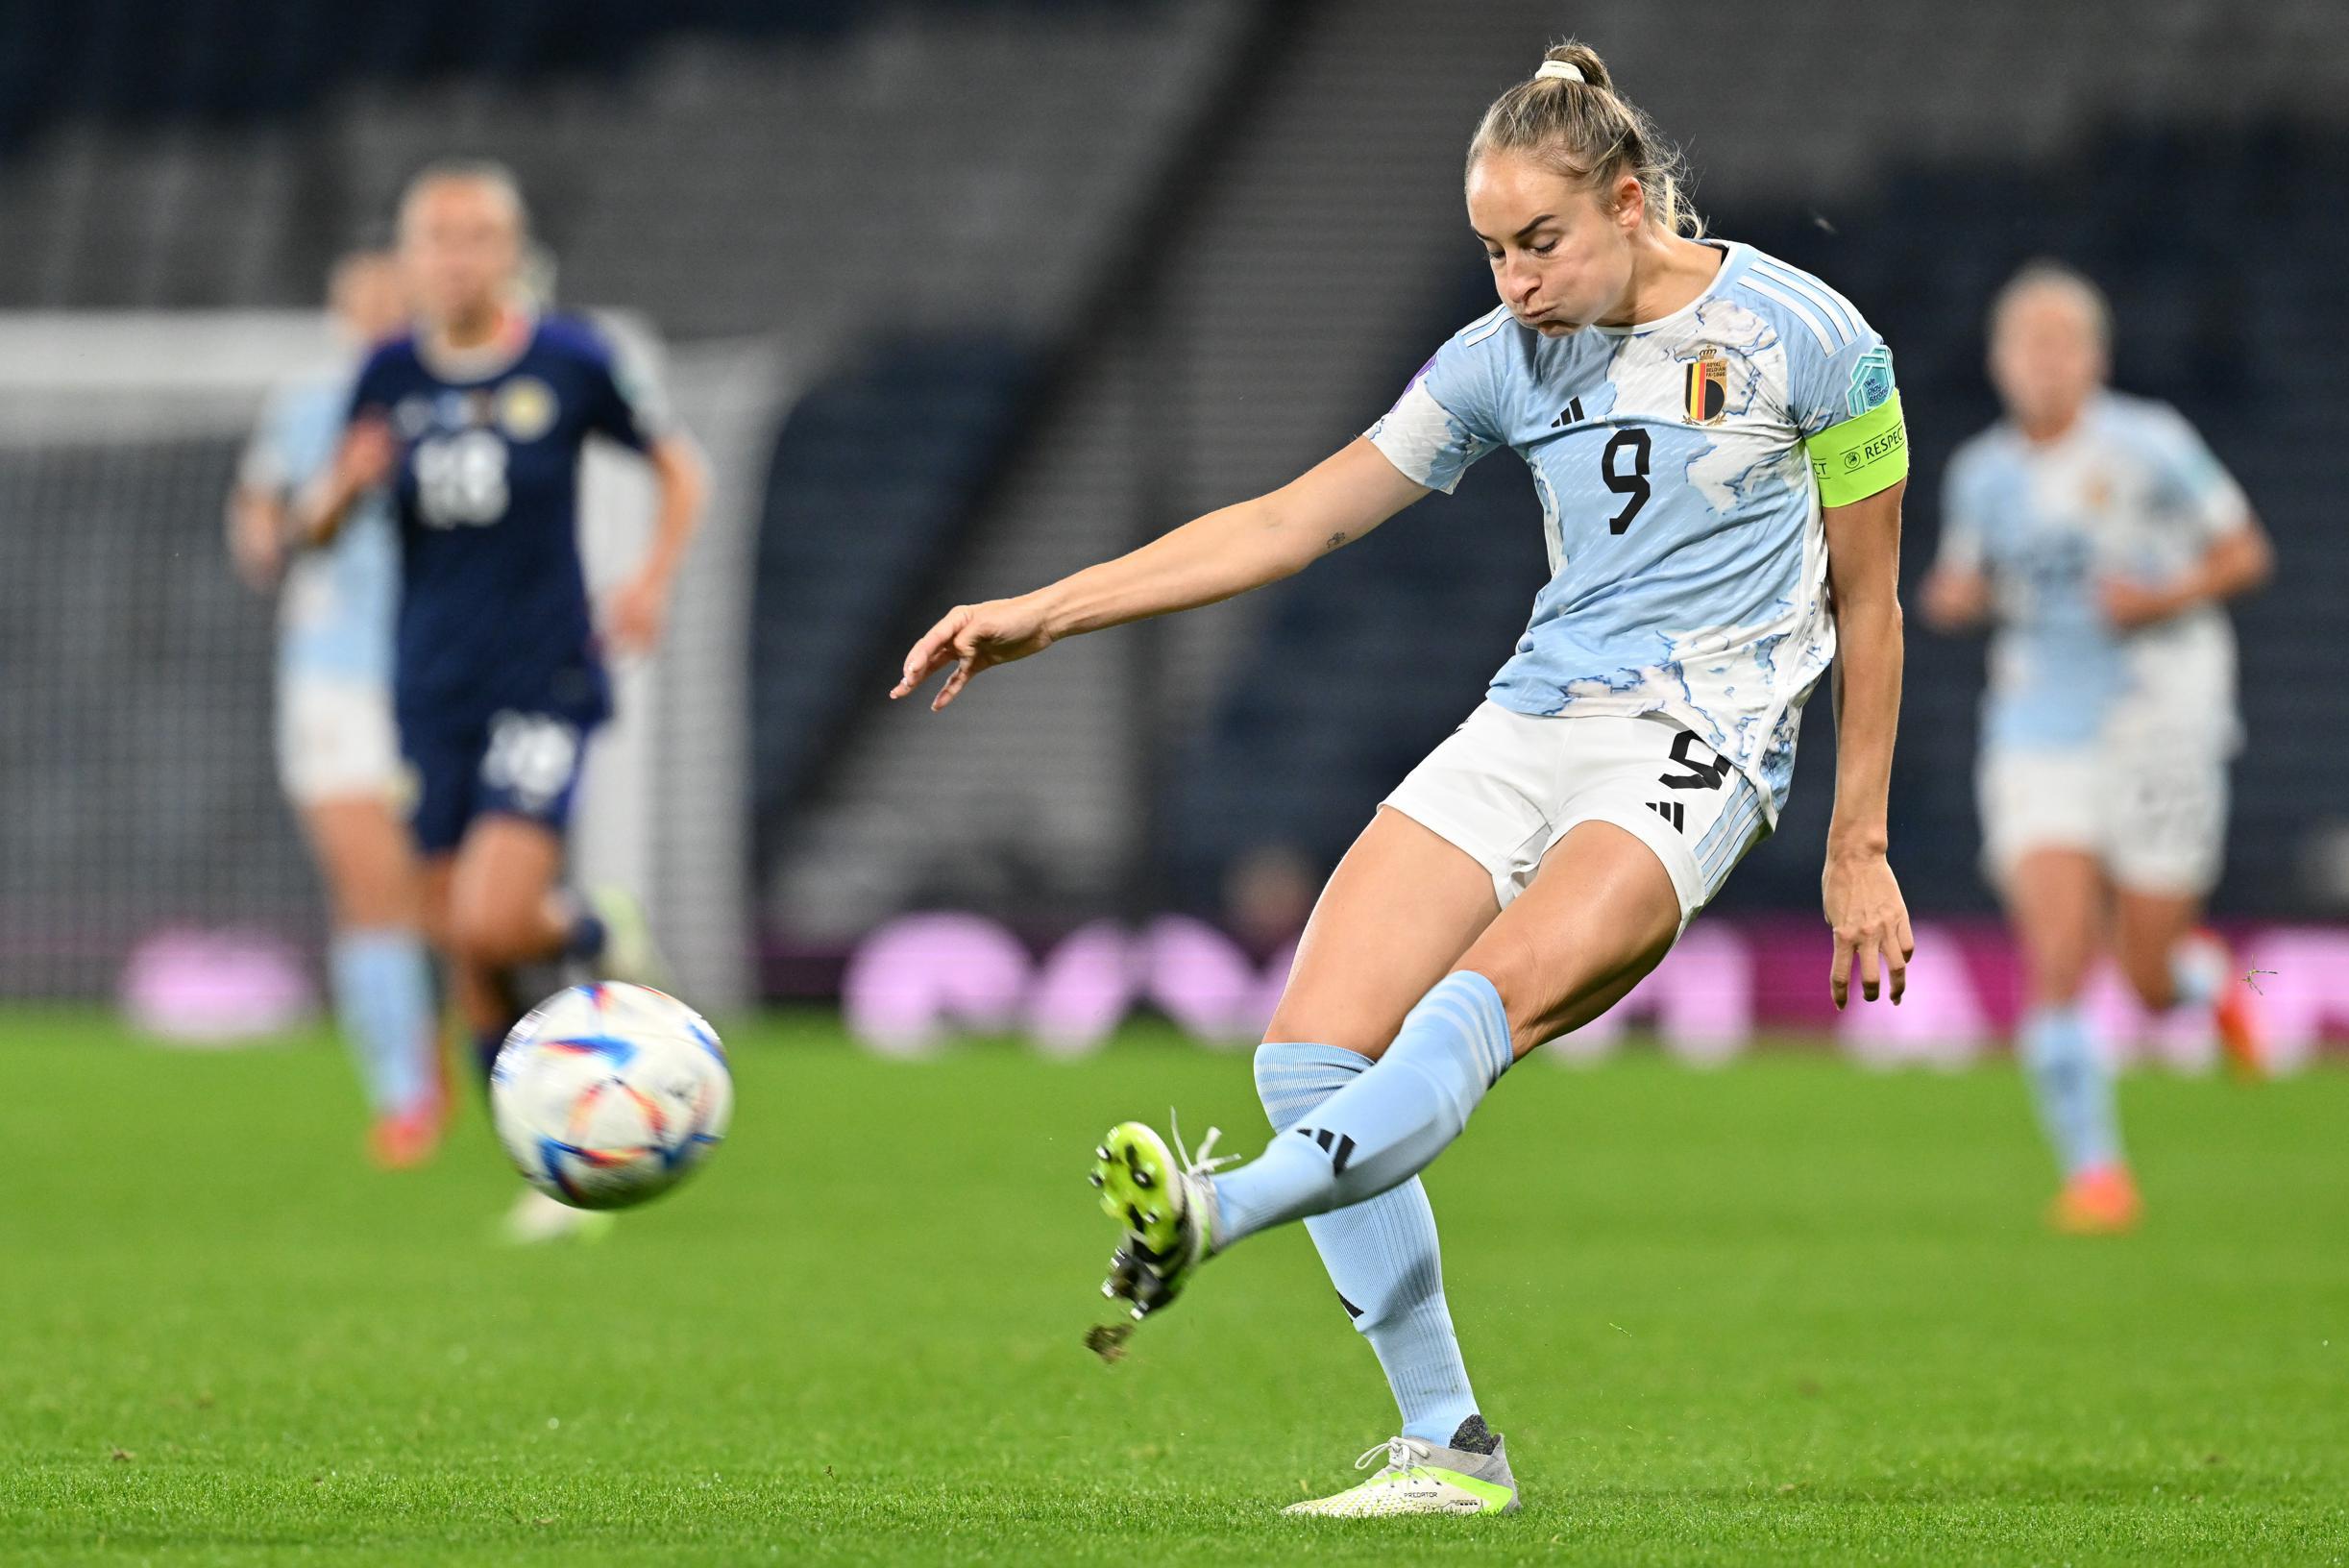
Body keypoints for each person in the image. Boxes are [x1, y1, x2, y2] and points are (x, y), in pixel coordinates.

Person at [895, 42, 1913, 1516]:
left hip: (1698, 742)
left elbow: (1867, 603)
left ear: (1628, 203)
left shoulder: (1812, 340)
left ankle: (1220, 1210)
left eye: (1539, 243)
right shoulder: (1498, 362)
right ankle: (1448, 1446)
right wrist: (1042, 612)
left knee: (1471, 1009)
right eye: (1491, 249)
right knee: (1307, 1051)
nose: (1513, 280)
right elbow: (1290, 521)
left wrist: (1855, 840)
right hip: (1529, 721)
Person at [296, 160, 707, 1240]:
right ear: (409, 255)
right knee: (459, 939)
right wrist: (336, 494)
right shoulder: (385, 371)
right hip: (429, 686)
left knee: (492, 913)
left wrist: (653, 578)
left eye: (475, 236)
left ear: (510, 251)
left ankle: (590, 924)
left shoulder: (568, 360)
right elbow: (318, 527)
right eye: (435, 237)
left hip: (543, 676)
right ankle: (544, 1161)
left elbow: (680, 467)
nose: (454, 256)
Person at [1921, 261, 2271, 1235]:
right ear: (1999, 362)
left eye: (2061, 345)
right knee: (2060, 949)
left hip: (2161, 715)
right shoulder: (1981, 474)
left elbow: (2247, 551)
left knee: (2148, 979)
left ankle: (2207, 983)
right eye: (2026, 346)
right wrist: (1958, 602)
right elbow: (1968, 580)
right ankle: (2097, 1176)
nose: (2043, 364)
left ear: (2094, 357)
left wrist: (2159, 598)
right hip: (2040, 727)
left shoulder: (2152, 445)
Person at [230, 250, 443, 1169]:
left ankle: (568, 968)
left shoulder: (454, 404)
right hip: (331, 673)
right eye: (366, 305)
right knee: (364, 884)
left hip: (438, 670)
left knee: (439, 895)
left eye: (398, 304)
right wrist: (329, 496)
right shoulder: (307, 407)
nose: (381, 320)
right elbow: (263, 538)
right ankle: (404, 1094)